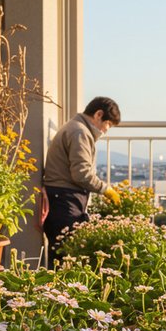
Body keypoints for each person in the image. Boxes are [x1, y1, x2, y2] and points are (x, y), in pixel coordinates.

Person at [42, 96, 122, 265]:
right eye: (108, 124)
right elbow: (81, 174)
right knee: (64, 256)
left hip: (60, 197)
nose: (106, 130)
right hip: (64, 200)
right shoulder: (80, 132)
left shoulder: (76, 128)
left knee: (61, 254)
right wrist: (105, 189)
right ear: (98, 115)